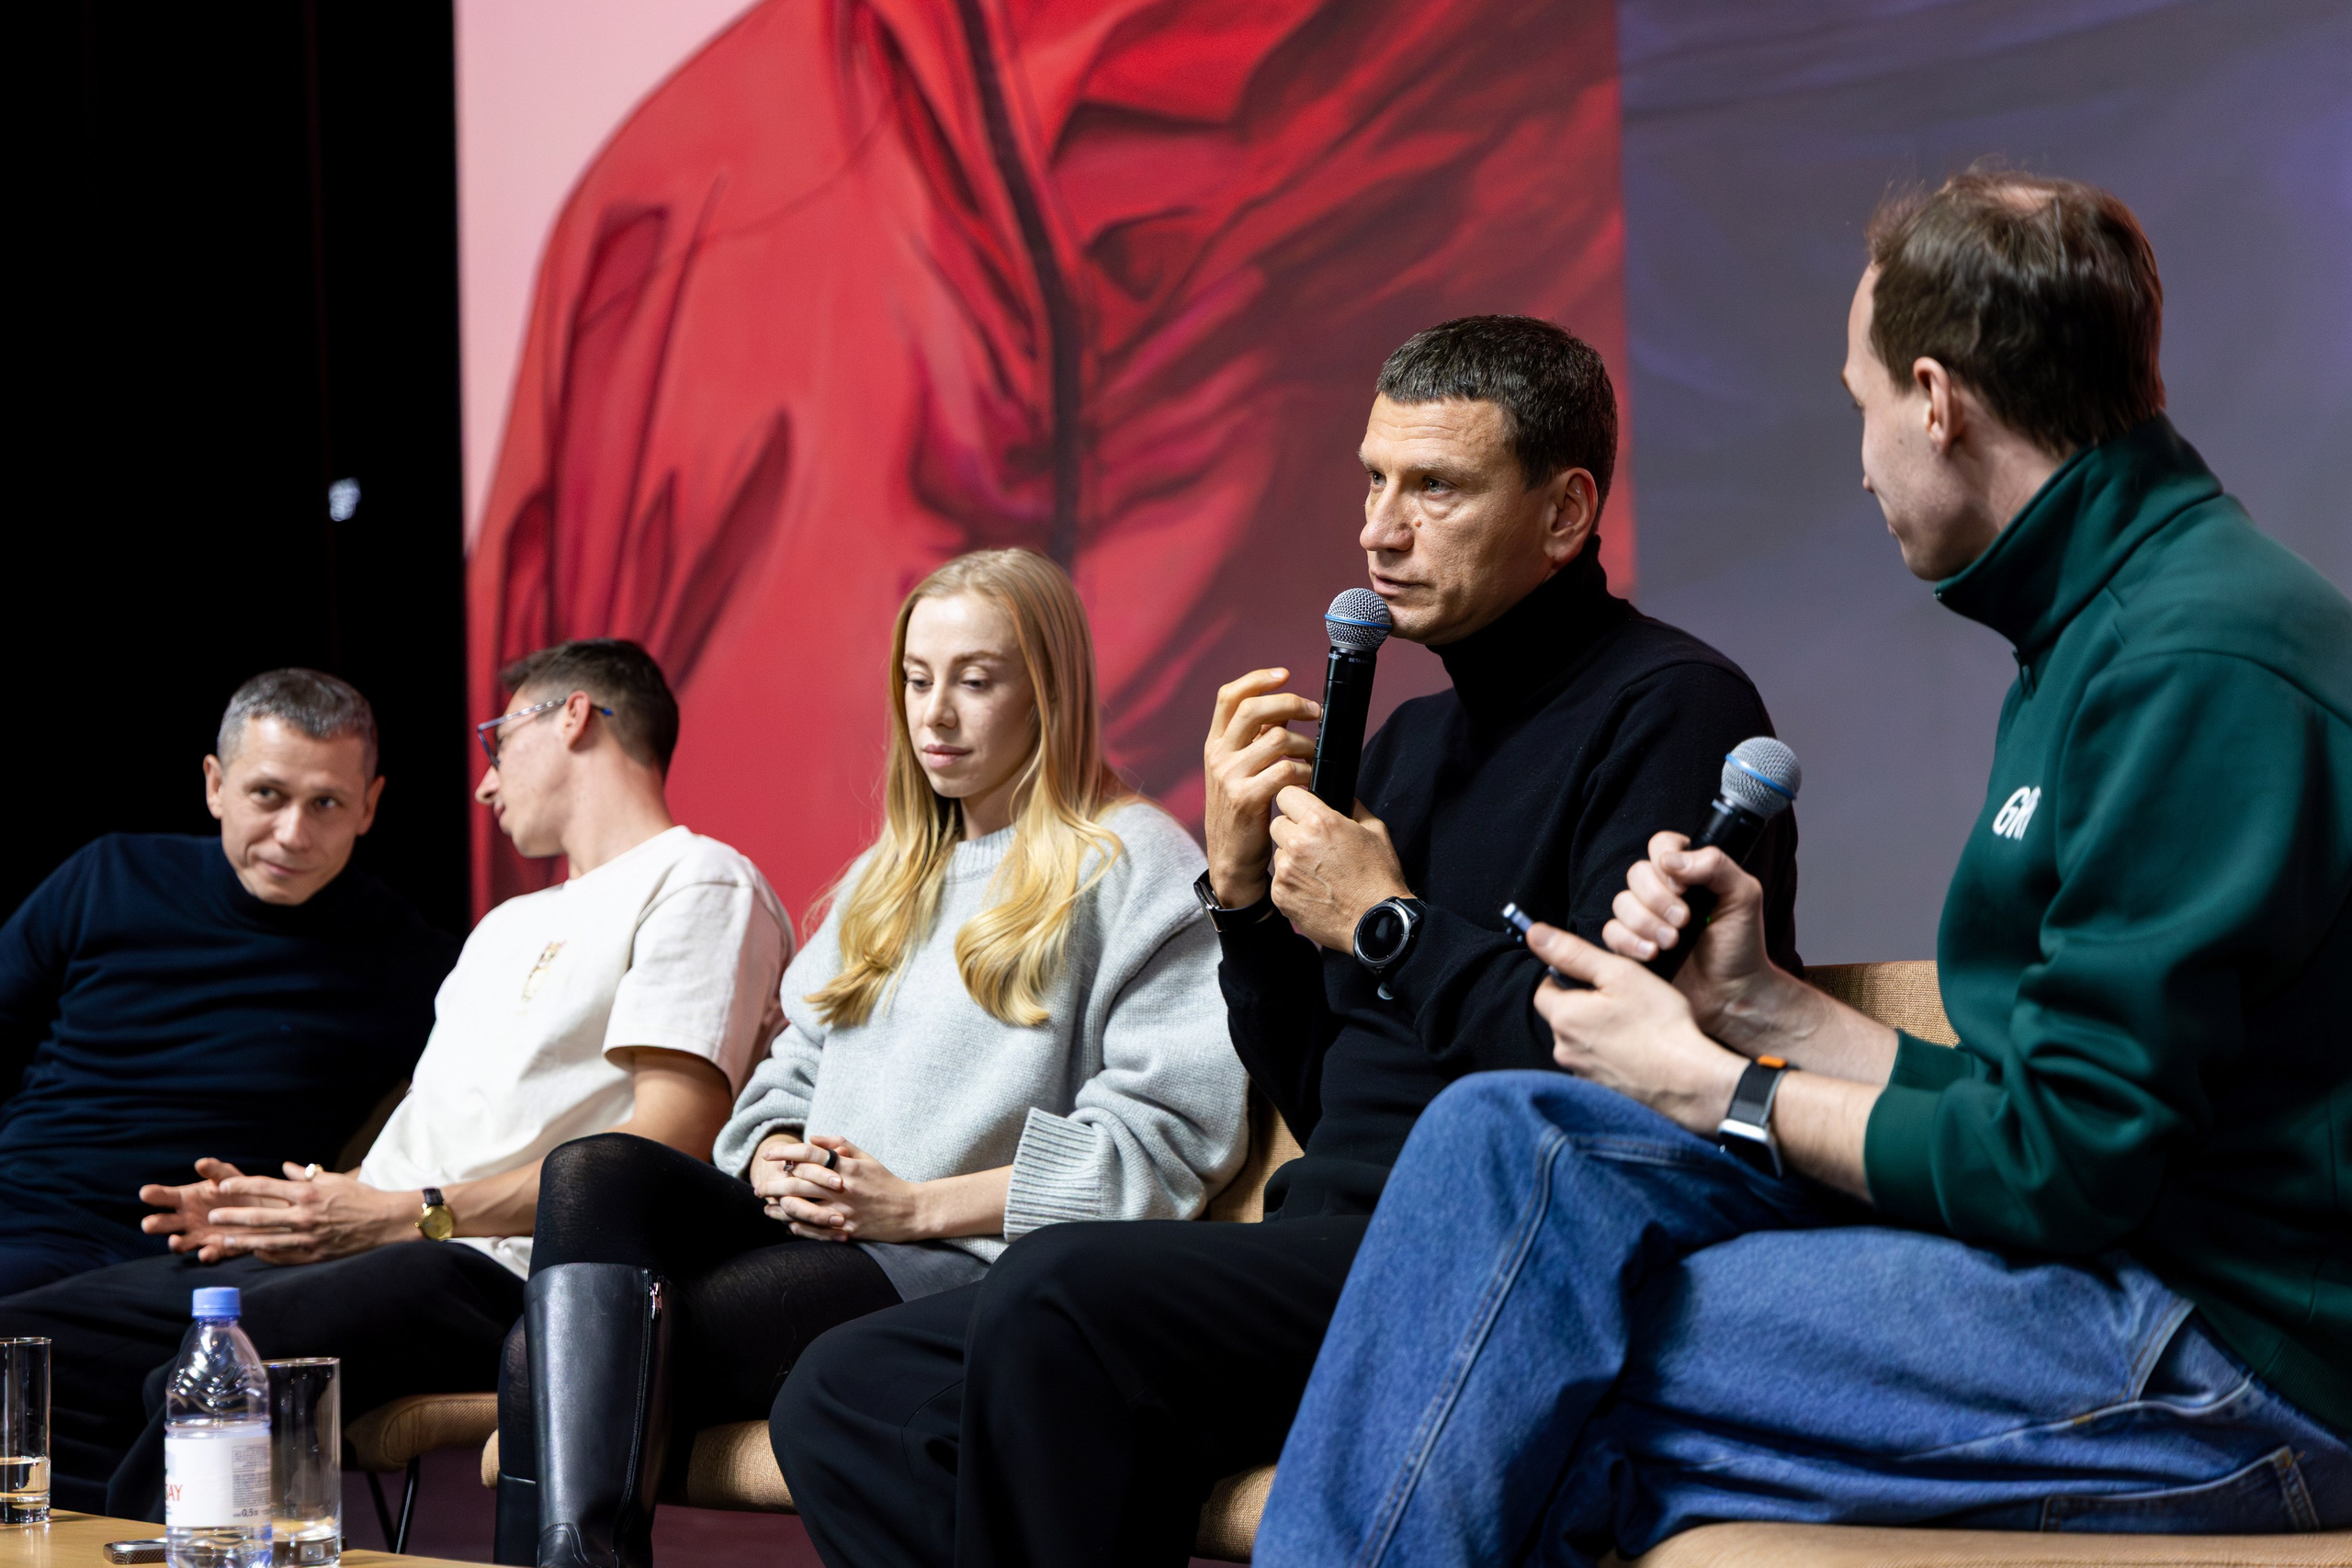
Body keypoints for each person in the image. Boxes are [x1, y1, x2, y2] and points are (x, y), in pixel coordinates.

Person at [1253, 173, 2352, 1567]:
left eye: (1862, 406)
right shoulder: (2102, 627)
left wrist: (1717, 1081)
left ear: (1939, 400)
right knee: (1501, 1141)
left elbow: (2064, 1169)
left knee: (1522, 1356)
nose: (1862, 456)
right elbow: (2060, 1110)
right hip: (2138, 1260)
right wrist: (1766, 1004)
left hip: (2239, 1347)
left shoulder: (2190, 663)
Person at [775, 317, 1804, 1568]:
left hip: (1495, 1256)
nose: (1379, 526)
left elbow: (1617, 1080)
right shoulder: (1409, 747)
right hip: (1330, 1241)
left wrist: (1388, 921)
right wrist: (1244, 891)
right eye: (1373, 478)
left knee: (1059, 1304)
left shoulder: (1672, 706)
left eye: (1436, 485)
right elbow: (1327, 1093)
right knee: (846, 1390)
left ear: (1566, 509)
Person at [494, 549, 1248, 1568]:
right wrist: (769, 1152)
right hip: (820, 1234)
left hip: (954, 1263)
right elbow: (779, 1082)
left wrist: (916, 1207)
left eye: (976, 682)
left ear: (1051, 694)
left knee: (545, 1359)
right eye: (917, 679)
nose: (935, 715)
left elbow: (1158, 1155)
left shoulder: (1137, 864)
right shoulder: (886, 879)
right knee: (594, 1172)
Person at [0, 638, 791, 1520]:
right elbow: (437, 1137)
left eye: (498, 741)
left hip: (501, 1270)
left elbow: (663, 1151)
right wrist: (300, 1206)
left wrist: (397, 1211)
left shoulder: (702, 877)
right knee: (37, 1343)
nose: (485, 783)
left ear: (569, 716)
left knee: (236, 1352)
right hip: (384, 1244)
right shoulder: (503, 924)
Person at [0, 669, 454, 1296]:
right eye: (268, 794)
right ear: (216, 785)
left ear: (369, 805)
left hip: (207, 1260)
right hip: (25, 1217)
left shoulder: (410, 959)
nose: (293, 835)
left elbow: (468, 1123)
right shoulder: (110, 875)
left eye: (326, 803)